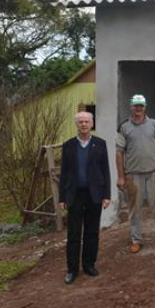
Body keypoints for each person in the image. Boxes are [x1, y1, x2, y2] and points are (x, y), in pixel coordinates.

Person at [116, 94, 155, 254]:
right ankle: (136, 239)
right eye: (136, 105)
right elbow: (119, 152)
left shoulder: (154, 124)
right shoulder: (124, 127)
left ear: (145, 107)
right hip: (133, 175)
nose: (138, 108)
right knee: (134, 208)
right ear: (131, 107)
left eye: (141, 105)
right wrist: (121, 176)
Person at [59, 111, 111, 284]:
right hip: (74, 194)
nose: (83, 124)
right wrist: (62, 197)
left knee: (92, 232)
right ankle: (72, 270)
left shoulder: (100, 144)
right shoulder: (68, 146)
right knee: (74, 233)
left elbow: (105, 171)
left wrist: (106, 195)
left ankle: (89, 265)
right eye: (80, 121)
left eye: (86, 121)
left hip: (94, 194)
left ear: (91, 123)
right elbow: (64, 173)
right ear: (76, 124)